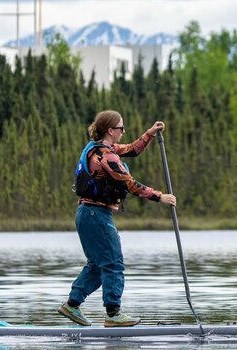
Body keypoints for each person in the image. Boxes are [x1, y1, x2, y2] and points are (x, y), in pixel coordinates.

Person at [59, 110, 176, 327]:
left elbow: (132, 149)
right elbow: (129, 184)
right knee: (113, 262)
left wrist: (149, 134)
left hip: (87, 214)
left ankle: (72, 305)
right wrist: (160, 197)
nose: (123, 132)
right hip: (96, 215)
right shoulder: (107, 157)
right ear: (111, 130)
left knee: (97, 264)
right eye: (121, 128)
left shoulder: (100, 148)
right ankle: (113, 314)